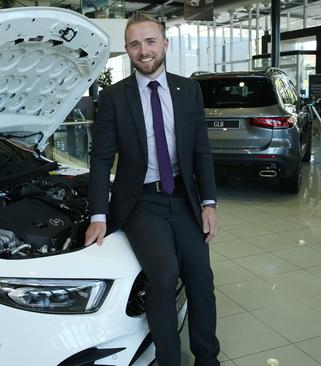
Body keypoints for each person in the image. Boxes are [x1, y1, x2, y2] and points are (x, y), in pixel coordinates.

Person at [84, 11, 220, 366]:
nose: (143, 51)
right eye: (134, 44)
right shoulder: (115, 97)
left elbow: (201, 149)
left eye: (150, 41)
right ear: (127, 50)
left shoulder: (188, 90)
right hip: (141, 201)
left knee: (201, 278)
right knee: (163, 275)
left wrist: (209, 203)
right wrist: (98, 214)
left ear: (164, 44)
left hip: (184, 197)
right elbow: (100, 159)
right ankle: (168, 360)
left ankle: (208, 359)